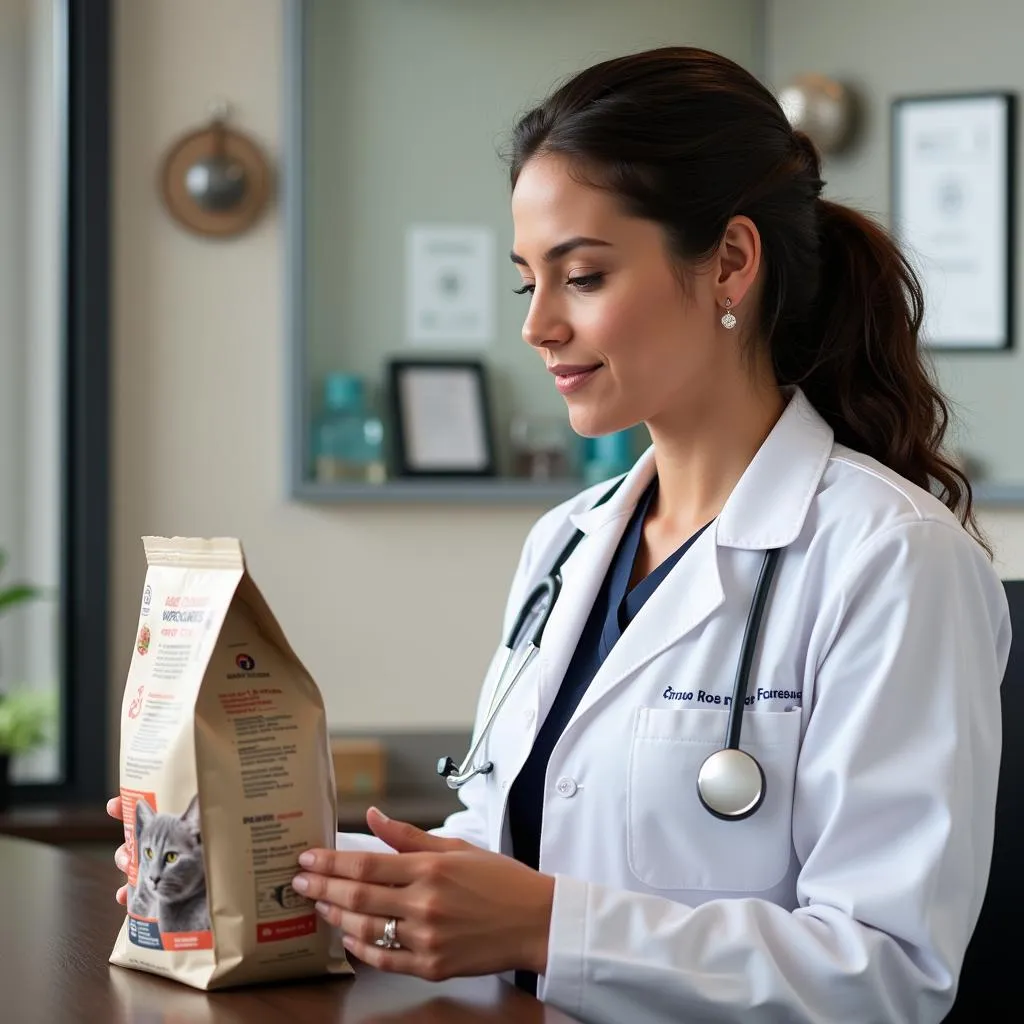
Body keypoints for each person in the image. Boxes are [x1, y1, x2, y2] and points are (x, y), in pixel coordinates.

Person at [109, 47, 1010, 1023]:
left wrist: (549, 927)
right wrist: (261, 860)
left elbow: (884, 973)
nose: (537, 326)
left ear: (731, 262)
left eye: (580, 275)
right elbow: (509, 850)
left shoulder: (891, 559)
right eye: (524, 283)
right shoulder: (568, 543)